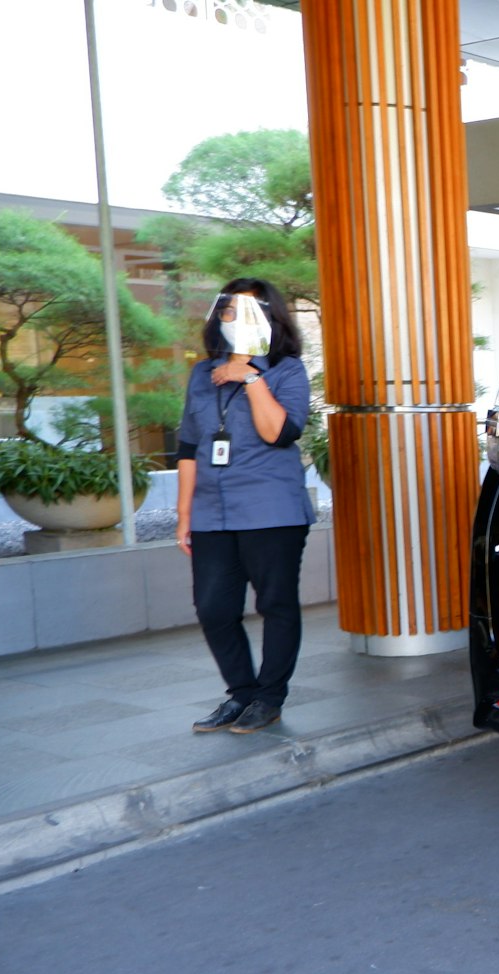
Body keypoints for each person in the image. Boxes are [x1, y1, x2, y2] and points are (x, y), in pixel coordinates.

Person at [177, 279, 316, 735]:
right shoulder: (201, 374)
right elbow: (188, 447)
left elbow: (279, 432)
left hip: (271, 508)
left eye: (247, 311)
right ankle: (240, 694)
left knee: (275, 603)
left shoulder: (286, 370)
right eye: (228, 311)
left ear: (270, 318)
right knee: (214, 607)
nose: (233, 319)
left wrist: (251, 377)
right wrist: (183, 516)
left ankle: (269, 697)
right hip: (212, 511)